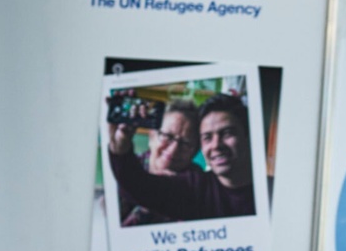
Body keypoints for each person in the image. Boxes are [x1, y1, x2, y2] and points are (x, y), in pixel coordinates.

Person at [107, 92, 257, 224]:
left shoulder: (269, 192)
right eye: (207, 137)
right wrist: (120, 143)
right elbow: (137, 185)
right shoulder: (196, 188)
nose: (216, 145)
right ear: (152, 134)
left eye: (227, 133)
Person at [118, 99, 200, 227]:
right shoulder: (127, 166)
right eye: (167, 136)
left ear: (194, 152)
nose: (173, 150)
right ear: (152, 135)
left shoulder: (197, 184)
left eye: (186, 143)